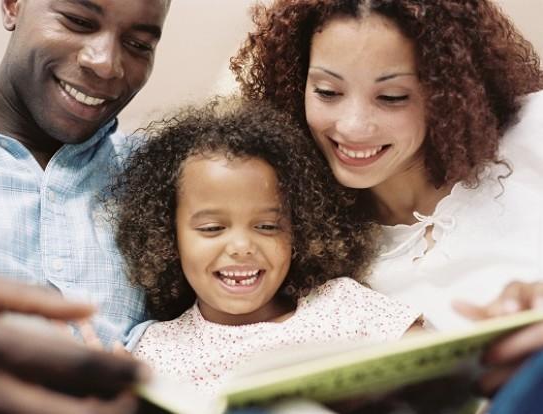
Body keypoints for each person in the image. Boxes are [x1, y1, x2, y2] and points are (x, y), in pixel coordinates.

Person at [230, 0, 543, 399]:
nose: (353, 126)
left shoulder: (533, 134)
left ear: (449, 92)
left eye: (392, 97)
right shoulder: (301, 249)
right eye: (327, 92)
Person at [0, 0, 170, 411]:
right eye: (78, 21)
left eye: (139, 45)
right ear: (12, 6)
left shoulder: (158, 177)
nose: (105, 64)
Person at [102, 99, 421, 393]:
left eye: (267, 227)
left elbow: (437, 374)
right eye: (213, 228)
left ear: (298, 232)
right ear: (168, 238)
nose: (242, 247)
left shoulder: (344, 305)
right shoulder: (157, 351)